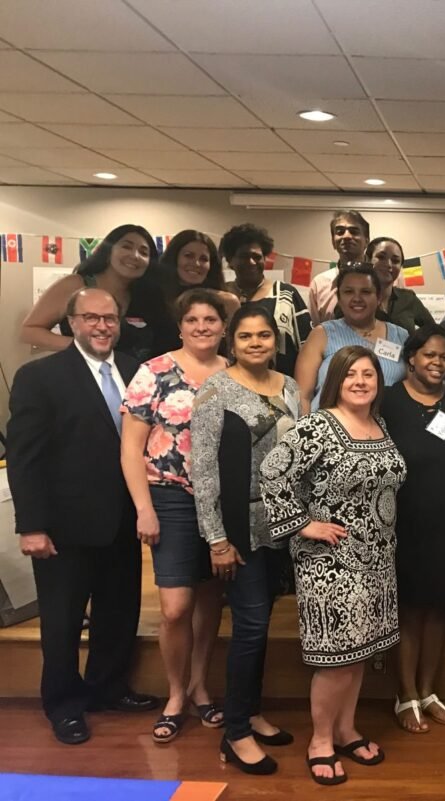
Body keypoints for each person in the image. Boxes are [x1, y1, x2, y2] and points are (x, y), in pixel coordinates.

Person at [7, 287, 160, 746]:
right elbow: (24, 458)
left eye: (109, 318)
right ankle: (64, 705)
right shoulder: (40, 377)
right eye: (91, 318)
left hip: (123, 521)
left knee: (119, 612)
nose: (101, 326)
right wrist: (31, 526)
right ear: (71, 322)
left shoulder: (136, 371)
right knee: (62, 622)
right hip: (63, 527)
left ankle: (108, 689)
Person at [261, 346, 405, 786]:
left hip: (377, 559)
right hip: (331, 562)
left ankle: (345, 729)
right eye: (350, 375)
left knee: (358, 653)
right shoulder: (317, 427)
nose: (360, 382)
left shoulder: (378, 424)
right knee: (337, 658)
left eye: (368, 374)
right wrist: (304, 524)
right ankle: (321, 740)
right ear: (335, 381)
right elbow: (272, 473)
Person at [190, 304, 301, 776]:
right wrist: (216, 539)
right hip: (239, 529)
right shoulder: (215, 390)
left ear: (275, 341)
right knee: (250, 627)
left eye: (263, 335)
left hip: (283, 526)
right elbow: (203, 471)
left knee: (263, 623)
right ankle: (234, 733)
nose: (255, 343)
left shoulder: (290, 387)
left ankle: (252, 713)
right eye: (245, 337)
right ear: (231, 343)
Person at [120, 289, 228, 743]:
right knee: (176, 607)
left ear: (223, 326)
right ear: (180, 326)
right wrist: (143, 508)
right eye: (193, 319)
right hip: (170, 498)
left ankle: (200, 687)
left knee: (209, 601)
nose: (202, 327)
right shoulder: (155, 372)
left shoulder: (234, 373)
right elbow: (130, 448)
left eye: (210, 319)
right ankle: (175, 694)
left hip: (221, 503)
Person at [381, 326, 445, 733]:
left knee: (439, 607)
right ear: (411, 358)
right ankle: (404, 694)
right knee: (409, 609)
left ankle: (427, 690)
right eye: (429, 355)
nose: (437, 363)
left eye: (444, 357)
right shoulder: (388, 400)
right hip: (405, 519)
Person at [21, 224, 170, 363]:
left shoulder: (148, 297)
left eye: (143, 252)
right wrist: (84, 347)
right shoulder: (75, 285)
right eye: (126, 247)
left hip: (137, 379)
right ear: (108, 251)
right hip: (82, 375)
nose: (135, 255)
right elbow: (29, 331)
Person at [296, 265, 409, 413]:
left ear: (379, 297)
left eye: (366, 292)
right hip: (327, 425)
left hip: (387, 424)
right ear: (339, 298)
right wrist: (306, 427)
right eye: (349, 292)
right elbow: (302, 396)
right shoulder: (321, 334)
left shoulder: (401, 336)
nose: (357, 298)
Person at [220, 222, 311, 378]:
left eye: (257, 257)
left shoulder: (286, 295)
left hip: (280, 386)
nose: (251, 262)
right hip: (227, 386)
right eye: (243, 256)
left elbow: (308, 351)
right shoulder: (220, 296)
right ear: (230, 261)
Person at [150, 230, 241, 353]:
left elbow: (235, 349)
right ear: (175, 257)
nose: (196, 263)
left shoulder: (226, 301)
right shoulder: (154, 296)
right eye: (188, 256)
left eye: (204, 259)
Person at [309, 210, 370, 325]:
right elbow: (314, 330)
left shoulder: (384, 279)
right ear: (333, 242)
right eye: (340, 232)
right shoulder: (319, 284)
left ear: (367, 241)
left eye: (354, 231)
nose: (346, 236)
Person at [366, 236, 434, 333]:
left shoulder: (408, 298)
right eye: (381, 257)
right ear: (368, 260)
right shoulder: (356, 299)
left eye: (395, 261)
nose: (389, 264)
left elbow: (434, 331)